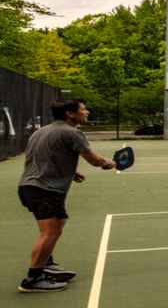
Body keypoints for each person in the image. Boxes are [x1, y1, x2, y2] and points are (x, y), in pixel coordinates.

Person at [17, 99, 115, 292]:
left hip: (30, 186)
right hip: (44, 189)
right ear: (70, 114)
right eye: (83, 109)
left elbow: (36, 157)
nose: (86, 112)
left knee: (57, 224)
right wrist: (108, 163)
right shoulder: (72, 132)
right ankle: (33, 278)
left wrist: (71, 172)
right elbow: (94, 159)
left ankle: (46, 263)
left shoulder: (41, 131)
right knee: (50, 232)